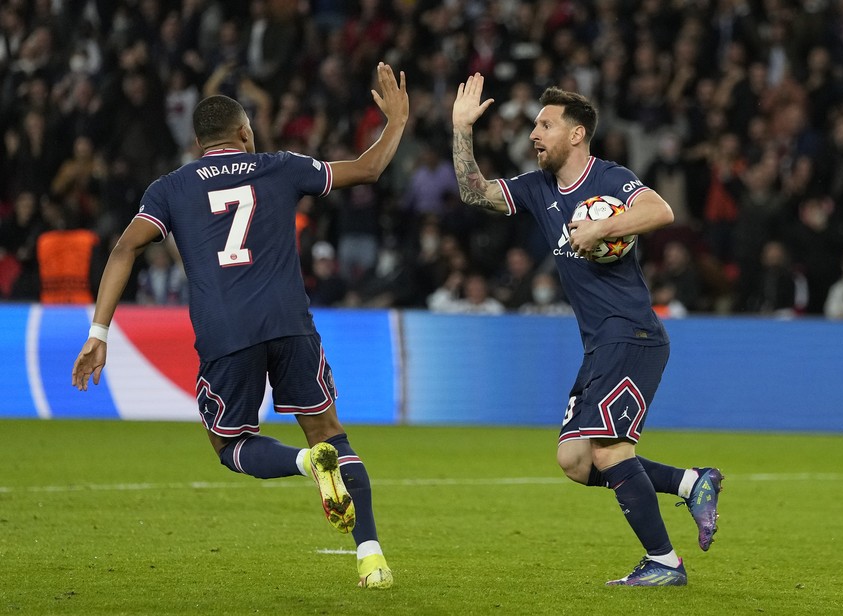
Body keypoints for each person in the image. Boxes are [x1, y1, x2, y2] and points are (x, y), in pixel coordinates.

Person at [71, 62, 408, 590]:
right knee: (332, 433)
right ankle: (371, 555)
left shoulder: (170, 188)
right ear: (245, 133)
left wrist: (98, 333)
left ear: (196, 144)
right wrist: (398, 121)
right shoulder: (279, 165)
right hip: (291, 324)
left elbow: (125, 249)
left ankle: (302, 463)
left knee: (230, 445)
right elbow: (366, 169)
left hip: (226, 333)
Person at [451, 73, 723, 586]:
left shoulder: (608, 177)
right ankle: (692, 483)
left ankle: (664, 562)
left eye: (546, 125)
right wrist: (462, 130)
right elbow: (474, 193)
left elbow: (659, 210)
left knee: (610, 450)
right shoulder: (537, 188)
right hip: (599, 345)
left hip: (633, 335)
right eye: (534, 124)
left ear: (576, 134)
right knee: (575, 460)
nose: (534, 133)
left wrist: (601, 226)